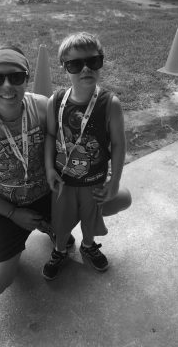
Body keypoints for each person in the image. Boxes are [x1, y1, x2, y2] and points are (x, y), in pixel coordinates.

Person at [0, 45, 74, 298]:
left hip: (48, 194)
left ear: (27, 77)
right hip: (4, 204)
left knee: (97, 199)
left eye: (16, 77)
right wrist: (12, 214)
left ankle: (54, 226)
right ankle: (14, 244)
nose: (7, 86)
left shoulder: (42, 106)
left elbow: (66, 150)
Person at [43, 32, 132, 280]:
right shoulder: (56, 100)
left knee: (91, 217)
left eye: (93, 62)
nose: (85, 69)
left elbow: (118, 143)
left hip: (94, 179)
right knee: (60, 220)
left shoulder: (109, 103)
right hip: (63, 180)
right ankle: (60, 249)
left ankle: (89, 245)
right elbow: (51, 135)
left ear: (101, 62)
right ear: (64, 68)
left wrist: (114, 181)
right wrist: (49, 168)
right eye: (75, 64)